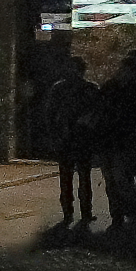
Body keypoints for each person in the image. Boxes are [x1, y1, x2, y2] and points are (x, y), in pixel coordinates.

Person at [97, 48, 136, 226]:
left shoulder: (134, 90)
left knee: (120, 179)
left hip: (123, 141)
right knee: (114, 180)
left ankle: (129, 212)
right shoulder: (115, 88)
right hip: (112, 139)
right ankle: (119, 215)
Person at [42, 56, 100, 224]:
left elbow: (50, 115)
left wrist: (54, 134)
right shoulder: (87, 89)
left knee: (73, 177)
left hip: (73, 139)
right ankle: (79, 212)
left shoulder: (61, 89)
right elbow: (51, 115)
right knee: (77, 177)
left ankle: (74, 213)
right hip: (75, 139)